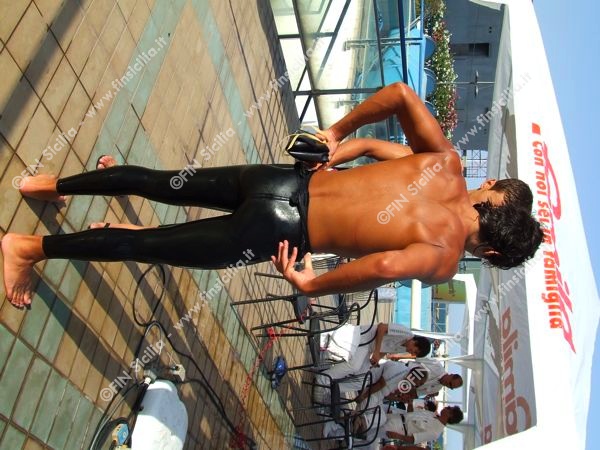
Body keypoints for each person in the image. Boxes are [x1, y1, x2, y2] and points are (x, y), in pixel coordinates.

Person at [1, 82, 543, 308]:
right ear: (492, 251)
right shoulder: (445, 257)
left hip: (279, 181)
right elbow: (382, 267)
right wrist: (311, 284)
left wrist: (336, 133)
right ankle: (28, 249)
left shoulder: (447, 164)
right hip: (277, 233)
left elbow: (401, 95)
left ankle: (49, 185)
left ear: (494, 194)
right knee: (145, 245)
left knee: (158, 181)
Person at [315, 323, 431, 398]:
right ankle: (322, 380)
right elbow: (382, 327)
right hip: (364, 338)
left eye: (415, 354)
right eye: (415, 351)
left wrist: (376, 360)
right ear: (416, 342)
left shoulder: (403, 348)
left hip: (368, 350)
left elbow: (386, 349)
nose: (412, 353)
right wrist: (376, 351)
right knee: (354, 366)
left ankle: (330, 389)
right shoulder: (406, 333)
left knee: (363, 381)